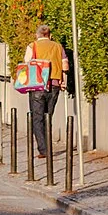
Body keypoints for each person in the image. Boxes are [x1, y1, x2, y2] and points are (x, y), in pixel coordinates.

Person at [25, 23, 68, 159]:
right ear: (50, 35)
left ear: (37, 35)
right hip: (54, 84)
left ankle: (44, 149)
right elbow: (65, 66)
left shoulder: (33, 46)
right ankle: (47, 146)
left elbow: (27, 63)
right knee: (48, 116)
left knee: (37, 118)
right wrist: (63, 81)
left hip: (38, 85)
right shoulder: (58, 46)